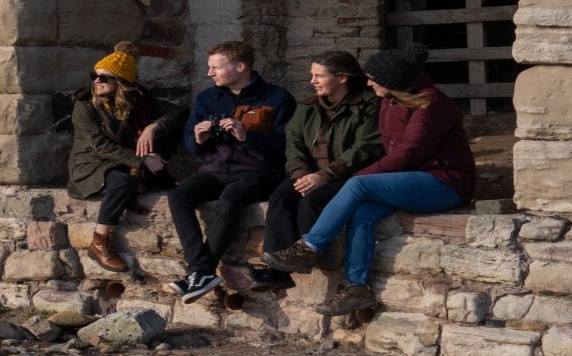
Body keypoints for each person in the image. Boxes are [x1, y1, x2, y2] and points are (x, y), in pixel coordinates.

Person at [263, 45, 475, 317]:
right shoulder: (390, 100)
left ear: (393, 80)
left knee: (357, 185)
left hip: (445, 183)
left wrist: (359, 176)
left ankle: (310, 246)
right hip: (407, 181)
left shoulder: (431, 103)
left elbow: (410, 152)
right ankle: (357, 288)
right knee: (361, 214)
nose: (368, 82)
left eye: (373, 78)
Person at [165, 40, 294, 301]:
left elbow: (285, 147)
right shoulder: (206, 98)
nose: (209, 73)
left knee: (231, 197)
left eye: (215, 67)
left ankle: (199, 273)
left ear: (241, 67)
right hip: (215, 169)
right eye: (209, 67)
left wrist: (246, 136)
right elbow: (191, 143)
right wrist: (199, 139)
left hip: (258, 172)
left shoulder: (278, 98)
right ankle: (200, 270)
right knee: (179, 196)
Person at [242, 50, 382, 292]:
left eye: (319, 76)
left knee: (312, 201)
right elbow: (293, 142)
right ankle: (276, 272)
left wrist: (325, 175)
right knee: (281, 198)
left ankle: (316, 255)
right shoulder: (307, 107)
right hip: (309, 172)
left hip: (348, 175)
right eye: (311, 75)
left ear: (342, 78)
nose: (312, 81)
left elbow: (365, 148)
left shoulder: (369, 105)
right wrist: (301, 174)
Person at [67, 42, 180, 273]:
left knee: (169, 129)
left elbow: (179, 112)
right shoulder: (85, 105)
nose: (96, 82)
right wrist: (142, 160)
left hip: (123, 159)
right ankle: (100, 242)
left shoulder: (138, 100)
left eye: (104, 78)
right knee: (122, 181)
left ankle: (144, 173)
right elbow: (99, 145)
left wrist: (152, 127)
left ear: (122, 83)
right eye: (94, 76)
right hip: (91, 164)